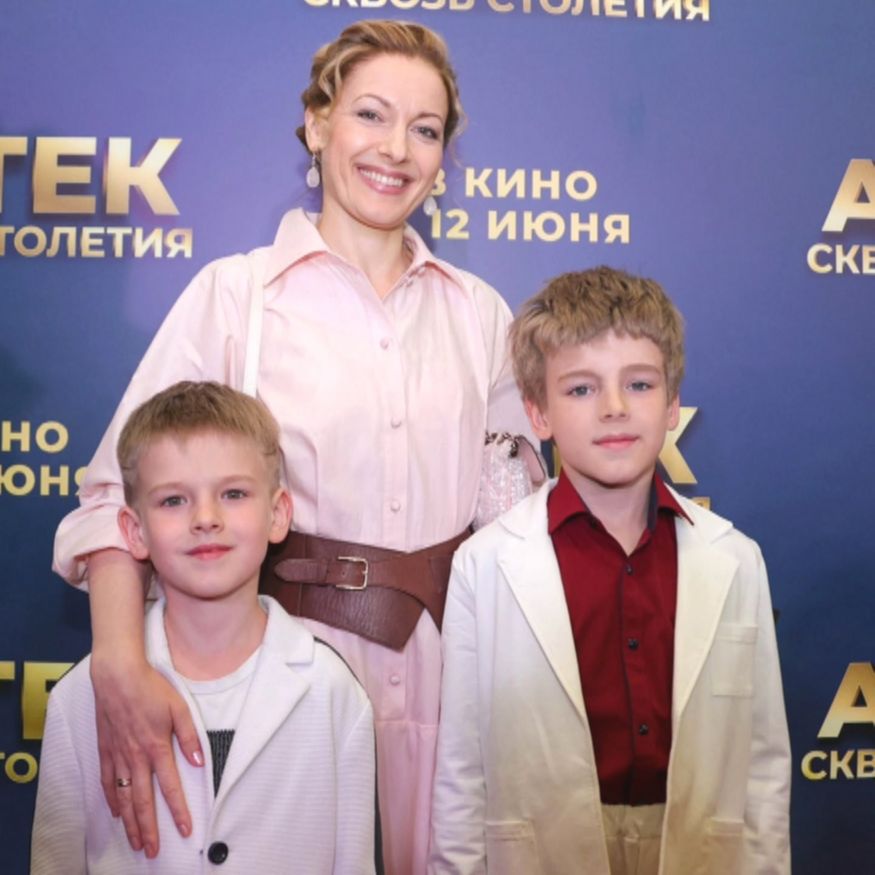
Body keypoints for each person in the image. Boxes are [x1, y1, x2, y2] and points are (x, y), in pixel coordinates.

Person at [52, 19, 531, 875]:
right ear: (316, 124)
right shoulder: (234, 296)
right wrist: (118, 667)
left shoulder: (481, 314)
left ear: (443, 157)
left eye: (424, 129)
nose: (396, 149)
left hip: (449, 695)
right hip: (277, 692)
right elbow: (111, 503)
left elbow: (516, 536)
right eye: (370, 115)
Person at [429, 267, 792, 875]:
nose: (615, 408)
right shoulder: (485, 564)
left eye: (640, 384)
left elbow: (764, 766)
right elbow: (462, 774)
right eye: (581, 389)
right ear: (537, 414)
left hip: (698, 850)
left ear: (672, 405)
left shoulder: (735, 558)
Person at [34, 381, 376, 874]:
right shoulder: (78, 700)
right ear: (134, 531)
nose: (206, 518)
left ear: (278, 514)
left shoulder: (333, 691)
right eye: (174, 500)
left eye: (233, 493)